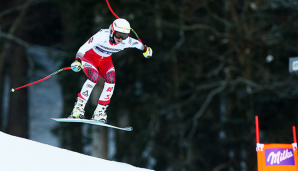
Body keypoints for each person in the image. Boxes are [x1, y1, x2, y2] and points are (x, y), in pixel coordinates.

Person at [69, 18, 153, 123]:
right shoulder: (101, 36)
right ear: (112, 31)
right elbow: (84, 47)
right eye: (118, 35)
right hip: (90, 58)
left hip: (105, 62)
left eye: (124, 35)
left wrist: (146, 50)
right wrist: (77, 60)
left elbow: (138, 44)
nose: (120, 39)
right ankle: (78, 109)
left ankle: (100, 112)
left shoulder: (126, 41)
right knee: (93, 78)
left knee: (111, 80)